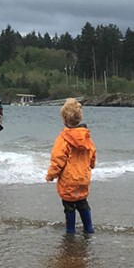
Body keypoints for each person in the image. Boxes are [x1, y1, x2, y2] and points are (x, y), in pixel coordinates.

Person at [45, 98, 96, 234]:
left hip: (68, 179)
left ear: (64, 119)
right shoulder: (86, 136)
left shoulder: (63, 138)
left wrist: (51, 175)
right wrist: (91, 165)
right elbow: (92, 152)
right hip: (83, 177)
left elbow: (58, 160)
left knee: (69, 206)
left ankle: (70, 231)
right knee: (82, 202)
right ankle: (89, 228)